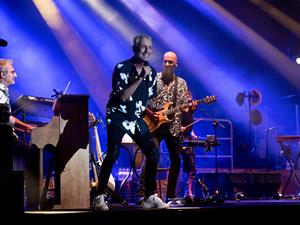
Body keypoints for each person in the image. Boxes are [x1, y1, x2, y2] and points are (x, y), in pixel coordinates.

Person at [92, 34, 169, 211]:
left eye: (150, 47)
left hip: (135, 118)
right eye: (144, 47)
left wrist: (160, 112)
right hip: (118, 115)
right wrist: (140, 76)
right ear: (135, 48)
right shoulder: (122, 68)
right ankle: (99, 197)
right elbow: (124, 96)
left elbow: (145, 100)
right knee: (113, 153)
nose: (147, 50)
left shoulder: (151, 74)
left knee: (153, 153)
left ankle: (149, 197)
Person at [137, 51, 197, 203]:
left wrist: (192, 108)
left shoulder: (181, 83)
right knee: (151, 157)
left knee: (176, 159)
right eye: (166, 61)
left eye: (171, 62)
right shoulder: (153, 79)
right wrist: (152, 115)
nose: (168, 64)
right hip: (154, 124)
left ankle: (169, 195)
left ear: (176, 64)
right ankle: (142, 194)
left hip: (173, 125)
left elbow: (185, 108)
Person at [0, 58, 39, 209]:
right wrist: (28, 128)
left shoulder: (4, 90)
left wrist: (26, 128)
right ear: (3, 75)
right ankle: (33, 200)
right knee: (33, 155)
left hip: (5, 135)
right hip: (3, 138)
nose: (15, 75)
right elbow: (5, 118)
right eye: (12, 72)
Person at [180, 89, 198, 201]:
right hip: (177, 137)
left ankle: (188, 191)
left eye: (188, 94)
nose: (188, 96)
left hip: (187, 137)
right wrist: (178, 128)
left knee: (191, 165)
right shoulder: (177, 108)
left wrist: (193, 133)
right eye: (185, 94)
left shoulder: (190, 110)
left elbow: (189, 123)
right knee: (176, 162)